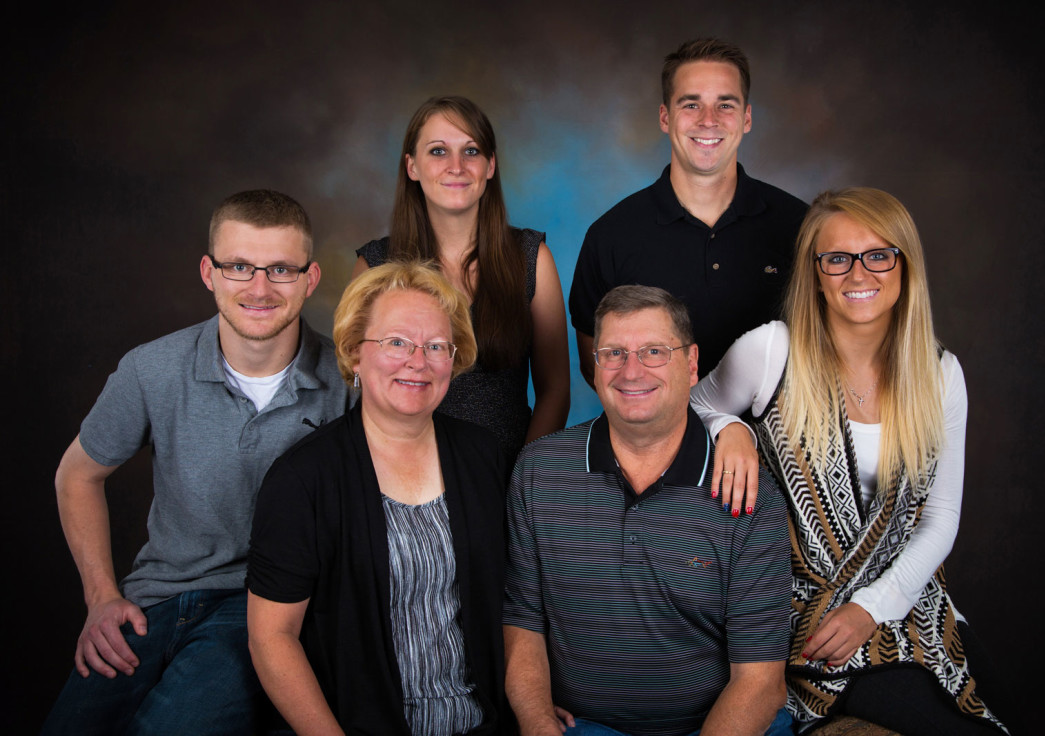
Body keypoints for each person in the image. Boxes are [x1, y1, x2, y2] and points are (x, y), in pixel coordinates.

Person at [691, 188, 1008, 734]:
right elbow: (695, 406)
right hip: (800, 610)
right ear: (816, 274)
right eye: (836, 258)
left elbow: (940, 518)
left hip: (905, 597)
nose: (858, 274)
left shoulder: (940, 375)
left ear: (904, 266)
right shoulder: (772, 352)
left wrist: (872, 607)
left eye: (877, 255)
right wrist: (731, 426)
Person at [41, 190, 351, 735]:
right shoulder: (151, 368)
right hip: (155, 596)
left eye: (281, 269)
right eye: (239, 267)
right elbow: (78, 475)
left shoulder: (348, 381)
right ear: (209, 272)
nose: (259, 288)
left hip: (265, 606)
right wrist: (101, 597)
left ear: (311, 278)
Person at [504, 285, 793, 736]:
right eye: (614, 353)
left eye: (654, 351)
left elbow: (760, 682)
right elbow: (522, 622)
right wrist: (537, 720)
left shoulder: (747, 492)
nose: (631, 371)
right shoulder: (540, 471)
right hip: (584, 727)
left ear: (692, 364)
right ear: (596, 368)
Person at [248, 262, 512, 735]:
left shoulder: (481, 455)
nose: (418, 360)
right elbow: (272, 637)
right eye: (396, 342)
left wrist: (530, 705)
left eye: (436, 346)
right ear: (353, 354)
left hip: (482, 724)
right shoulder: (303, 478)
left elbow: (511, 604)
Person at [569, 38, 807, 393]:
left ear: (746, 118)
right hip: (661, 444)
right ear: (665, 117)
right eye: (691, 104)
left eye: (724, 105)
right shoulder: (610, 236)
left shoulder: (799, 225)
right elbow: (597, 365)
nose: (708, 120)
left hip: (781, 443)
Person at [353, 95, 569, 461]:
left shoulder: (530, 259)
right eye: (438, 151)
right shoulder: (375, 268)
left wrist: (523, 481)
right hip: (400, 479)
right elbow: (357, 390)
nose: (456, 166)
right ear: (412, 167)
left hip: (506, 481)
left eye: (471, 151)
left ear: (490, 166)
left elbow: (555, 389)